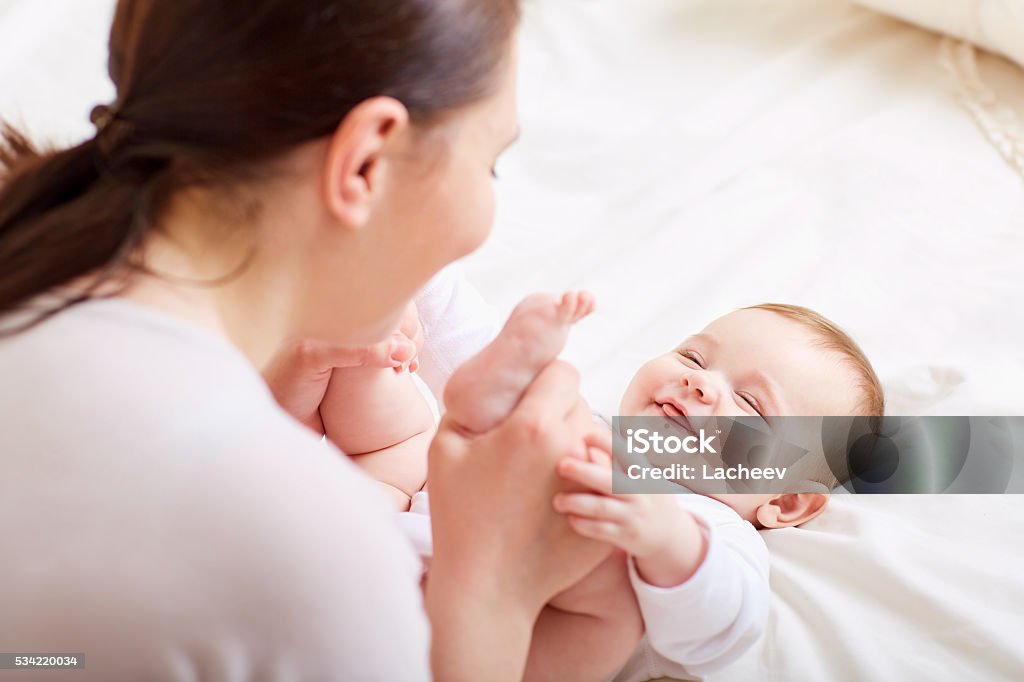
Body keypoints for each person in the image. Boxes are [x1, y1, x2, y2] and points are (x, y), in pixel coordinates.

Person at [0, 1, 614, 680]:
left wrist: (731, 457)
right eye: (492, 163)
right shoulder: (311, 556)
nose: (483, 217)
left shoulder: (40, 252)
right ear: (364, 163)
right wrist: (495, 590)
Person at [320, 294, 884, 681]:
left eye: (753, 404)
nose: (700, 382)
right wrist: (427, 278)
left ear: (784, 501)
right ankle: (370, 333)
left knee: (611, 582)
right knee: (405, 412)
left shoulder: (713, 531)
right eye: (693, 355)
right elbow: (463, 336)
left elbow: (721, 632)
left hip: (473, 649)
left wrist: (667, 539)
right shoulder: (580, 421)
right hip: (389, 533)